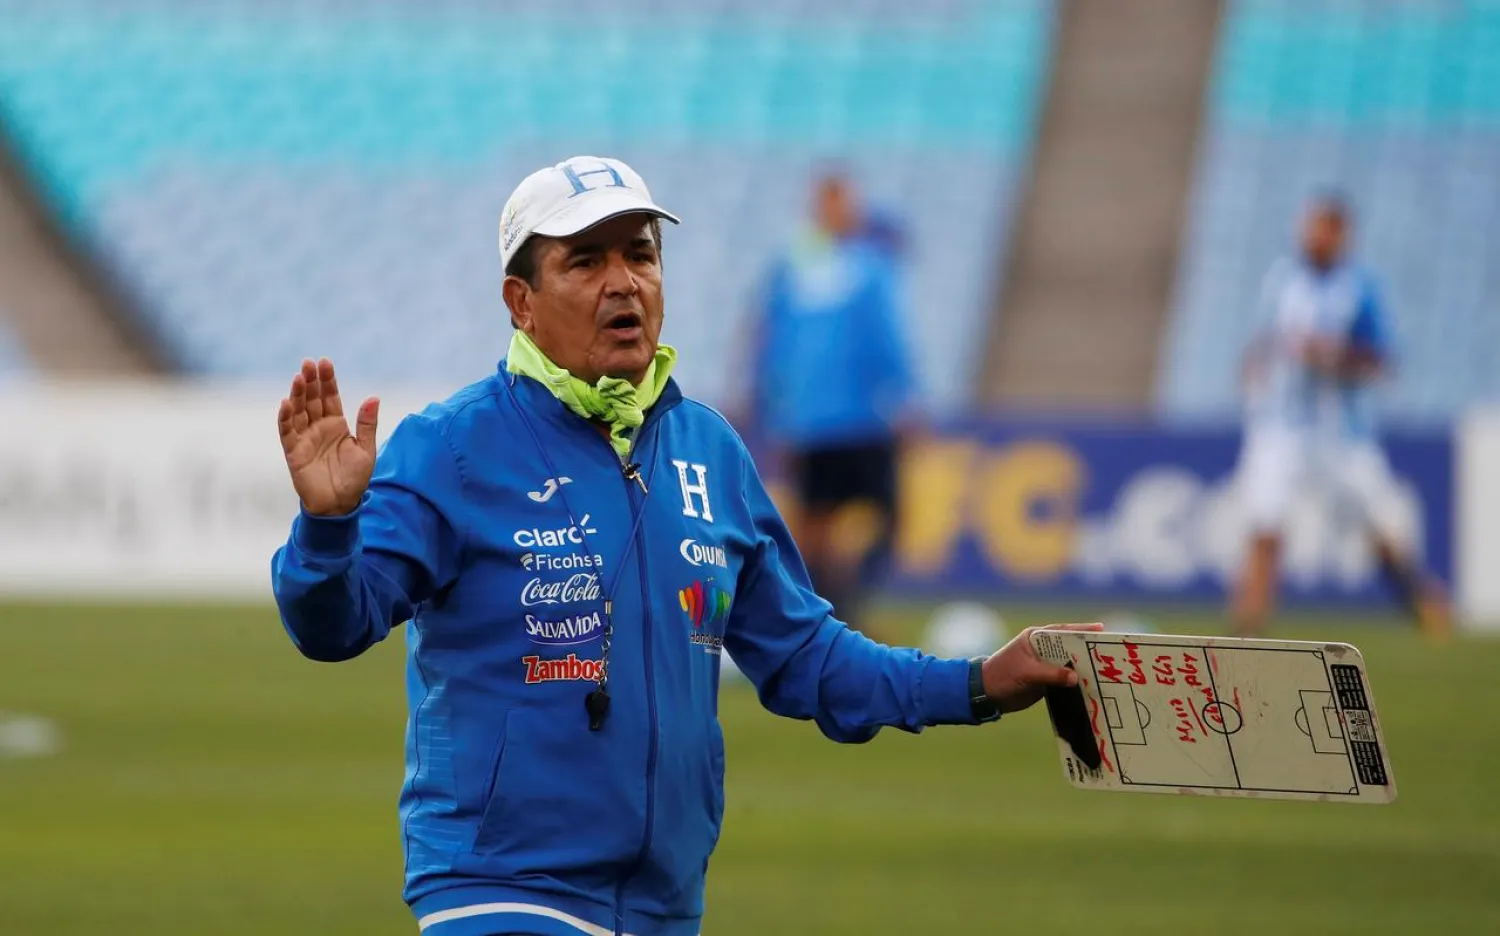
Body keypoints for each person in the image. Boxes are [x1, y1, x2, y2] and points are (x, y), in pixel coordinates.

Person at [270, 155, 1097, 936]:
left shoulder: (709, 452)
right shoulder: (451, 447)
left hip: (666, 905)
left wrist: (982, 682)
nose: (623, 280)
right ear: (521, 302)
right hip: (501, 889)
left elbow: (808, 659)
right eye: (584, 261)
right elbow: (333, 625)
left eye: (640, 253)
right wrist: (328, 527)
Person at [1229, 193, 1449, 639]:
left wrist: (1331, 356)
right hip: (1279, 427)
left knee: (1378, 527)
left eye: (1322, 229)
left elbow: (1383, 361)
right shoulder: (1282, 279)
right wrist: (1253, 368)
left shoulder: (1361, 288)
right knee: (1265, 524)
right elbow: (1265, 339)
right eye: (1309, 226)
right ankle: (1247, 630)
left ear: (1341, 236)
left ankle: (1421, 601)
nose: (1312, 237)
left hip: (1338, 435)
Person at [746, 173, 919, 634]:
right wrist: (906, 397)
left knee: (824, 522)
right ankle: (834, 607)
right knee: (850, 519)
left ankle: (827, 606)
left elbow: (766, 338)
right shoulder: (863, 266)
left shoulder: (794, 268)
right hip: (841, 420)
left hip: (838, 419)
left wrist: (768, 402)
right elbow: (887, 337)